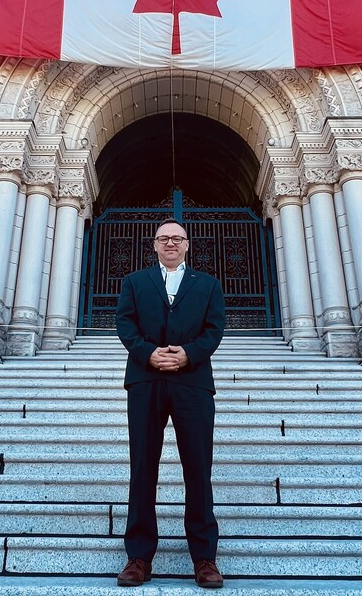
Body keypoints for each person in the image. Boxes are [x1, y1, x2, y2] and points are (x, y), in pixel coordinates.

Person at [115, 218, 226, 588]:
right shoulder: (134, 282)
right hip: (146, 380)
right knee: (143, 466)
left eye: (177, 238)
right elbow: (125, 324)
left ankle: (205, 558)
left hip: (192, 382)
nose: (171, 244)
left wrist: (188, 355)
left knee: (198, 468)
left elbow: (215, 329)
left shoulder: (208, 285)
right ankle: (139, 556)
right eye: (164, 239)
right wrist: (149, 353)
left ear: (188, 244)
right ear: (154, 245)